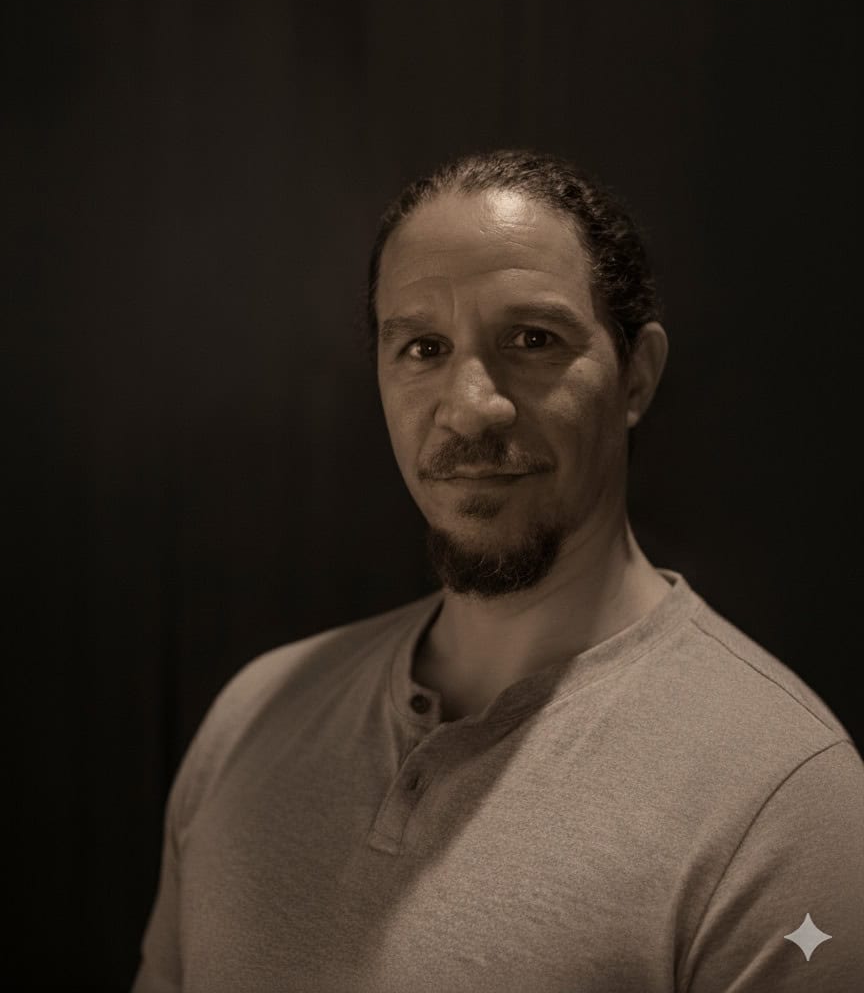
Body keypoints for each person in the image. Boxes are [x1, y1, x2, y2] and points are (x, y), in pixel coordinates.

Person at [132, 150, 864, 992]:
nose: (472, 405)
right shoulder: (250, 722)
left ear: (637, 376)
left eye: (532, 340)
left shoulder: (784, 799)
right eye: (423, 346)